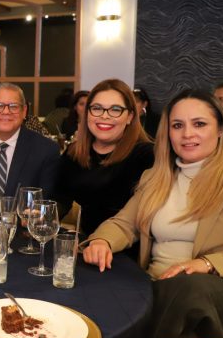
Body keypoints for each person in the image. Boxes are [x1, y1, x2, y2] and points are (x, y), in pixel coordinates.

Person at [83, 89, 223, 338]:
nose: (187, 134)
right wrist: (102, 241)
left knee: (187, 286)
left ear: (221, 129)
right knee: (96, 281)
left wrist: (207, 264)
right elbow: (124, 224)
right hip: (158, 289)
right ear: (168, 132)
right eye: (177, 125)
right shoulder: (156, 176)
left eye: (199, 124)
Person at [57, 79, 154, 236]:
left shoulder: (146, 155)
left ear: (129, 117)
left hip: (127, 244)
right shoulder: (74, 152)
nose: (104, 116)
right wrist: (44, 215)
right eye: (97, 108)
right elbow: (61, 197)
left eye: (115, 109)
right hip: (86, 242)